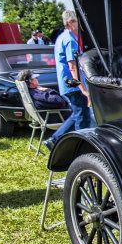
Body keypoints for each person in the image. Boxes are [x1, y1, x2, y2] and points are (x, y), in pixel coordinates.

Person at [43, 10, 93, 151]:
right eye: (78, 22)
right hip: (72, 84)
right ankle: (81, 150)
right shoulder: (70, 40)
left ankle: (54, 140)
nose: (81, 26)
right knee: (82, 118)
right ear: (70, 23)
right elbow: (73, 66)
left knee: (78, 113)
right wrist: (82, 88)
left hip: (66, 83)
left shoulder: (61, 37)